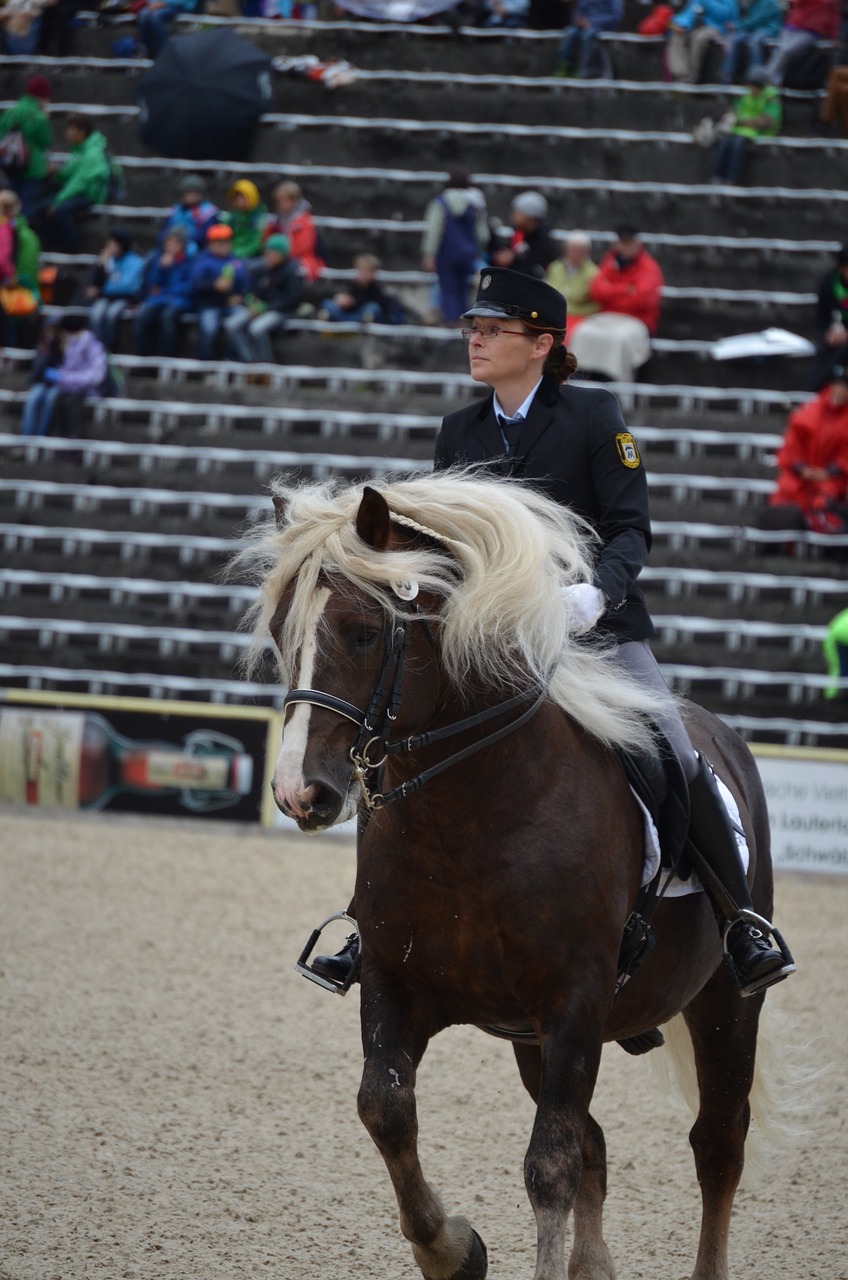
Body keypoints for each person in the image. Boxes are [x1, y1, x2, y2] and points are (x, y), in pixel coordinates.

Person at [311, 267, 795, 999]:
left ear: (541, 344)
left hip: (592, 632)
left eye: (491, 330)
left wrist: (596, 594)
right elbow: (443, 553)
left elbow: (632, 529)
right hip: (493, 644)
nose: (474, 339)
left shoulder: (595, 416)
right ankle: (369, 921)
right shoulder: (460, 431)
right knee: (398, 741)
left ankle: (741, 922)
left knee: (673, 743)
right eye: (471, 328)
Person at [568, 223, 664, 382]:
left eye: (629, 242)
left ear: (637, 244)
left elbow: (643, 299)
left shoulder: (649, 266)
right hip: (606, 316)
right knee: (581, 333)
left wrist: (611, 291)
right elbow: (596, 290)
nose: (625, 247)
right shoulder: (610, 261)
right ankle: (579, 378)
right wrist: (627, 289)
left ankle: (616, 383)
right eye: (622, 242)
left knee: (619, 340)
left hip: (637, 321)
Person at [757, 366, 848, 534]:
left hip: (832, 478)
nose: (841, 391)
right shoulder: (811, 411)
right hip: (802, 475)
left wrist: (829, 472)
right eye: (839, 385)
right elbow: (792, 446)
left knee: (827, 497)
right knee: (786, 491)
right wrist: (801, 469)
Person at [20, 314, 107, 437]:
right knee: (36, 397)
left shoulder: (92, 345)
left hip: (84, 390)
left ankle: (45, 437)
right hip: (66, 386)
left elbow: (96, 375)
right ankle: (27, 439)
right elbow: (63, 366)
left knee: (56, 399)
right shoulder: (64, 343)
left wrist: (64, 378)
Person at [33, 114, 110, 253]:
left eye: (70, 130)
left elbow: (79, 183)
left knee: (58, 211)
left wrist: (57, 202)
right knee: (39, 209)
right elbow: (69, 175)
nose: (66, 134)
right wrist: (57, 172)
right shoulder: (78, 150)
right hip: (76, 190)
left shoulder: (92, 154)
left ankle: (72, 247)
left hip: (88, 194)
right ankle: (50, 246)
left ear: (81, 132)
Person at [420, 167, 489, 324]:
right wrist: (478, 251)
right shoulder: (474, 204)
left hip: (447, 253)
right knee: (462, 289)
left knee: (448, 289)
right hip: (468, 254)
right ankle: (462, 320)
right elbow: (482, 234)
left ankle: (451, 322)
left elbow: (434, 230)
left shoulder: (440, 203)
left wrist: (429, 253)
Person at [222, 234, 303, 362]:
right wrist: (247, 302)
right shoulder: (259, 269)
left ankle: (266, 364)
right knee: (231, 324)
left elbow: (292, 299)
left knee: (257, 328)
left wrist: (265, 307)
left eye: (274, 253)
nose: (270, 256)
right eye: (268, 252)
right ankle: (251, 361)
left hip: (280, 310)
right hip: (258, 307)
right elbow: (250, 292)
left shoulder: (291, 271)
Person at [711, 65, 781, 184]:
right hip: (740, 129)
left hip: (758, 132)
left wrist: (741, 121)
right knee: (724, 141)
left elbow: (767, 121)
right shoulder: (746, 93)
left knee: (738, 143)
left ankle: (732, 180)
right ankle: (717, 177)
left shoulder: (771, 97)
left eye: (754, 86)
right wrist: (729, 117)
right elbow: (735, 109)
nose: (751, 88)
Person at [189, 222, 248, 360]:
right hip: (209, 304)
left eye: (226, 242)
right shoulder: (202, 260)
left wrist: (239, 297)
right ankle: (204, 363)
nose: (223, 246)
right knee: (209, 328)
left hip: (230, 304)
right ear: (211, 244)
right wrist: (213, 286)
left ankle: (231, 360)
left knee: (242, 321)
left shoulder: (236, 262)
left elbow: (245, 284)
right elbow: (195, 285)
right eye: (218, 243)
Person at [132, 225, 193, 357]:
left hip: (178, 300)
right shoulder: (157, 259)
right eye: (169, 241)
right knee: (141, 316)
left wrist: (169, 292)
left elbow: (188, 286)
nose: (171, 245)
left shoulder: (188, 262)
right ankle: (143, 357)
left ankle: (166, 357)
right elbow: (151, 284)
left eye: (176, 242)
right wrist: (162, 268)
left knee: (167, 317)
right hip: (158, 298)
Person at [0, 75, 53, 218]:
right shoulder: (38, 116)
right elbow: (45, 141)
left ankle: (6, 236)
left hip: (11, 164)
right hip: (33, 167)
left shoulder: (10, 112)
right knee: (26, 206)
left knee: (7, 205)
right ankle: (21, 235)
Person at [85, 227, 146, 349]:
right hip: (107, 298)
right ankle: (98, 348)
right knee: (96, 313)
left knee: (112, 314)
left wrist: (104, 289)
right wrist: (101, 267)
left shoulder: (136, 262)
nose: (109, 246)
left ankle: (111, 347)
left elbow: (127, 286)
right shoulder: (108, 260)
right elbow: (96, 286)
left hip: (126, 298)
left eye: (113, 243)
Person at [759, 0, 839, 85]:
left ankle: (766, 80)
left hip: (811, 31)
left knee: (785, 50)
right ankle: (763, 79)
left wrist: (833, 36)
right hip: (792, 27)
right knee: (779, 49)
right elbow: (794, 3)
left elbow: (834, 16)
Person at [261, 180, 325, 284]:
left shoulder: (304, 221)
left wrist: (281, 254)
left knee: (289, 270)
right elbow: (266, 240)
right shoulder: (276, 219)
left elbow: (304, 247)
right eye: (279, 201)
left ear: (294, 201)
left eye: (284, 200)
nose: (281, 204)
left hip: (300, 259)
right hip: (277, 256)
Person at [544, 229, 600, 339]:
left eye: (579, 250)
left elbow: (596, 305)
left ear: (586, 252)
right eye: (572, 249)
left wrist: (574, 311)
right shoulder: (555, 267)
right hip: (554, 316)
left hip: (580, 318)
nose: (575, 253)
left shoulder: (594, 273)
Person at [666, 0, 739, 83]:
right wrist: (680, 25)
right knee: (677, 37)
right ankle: (682, 74)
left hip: (720, 28)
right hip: (699, 27)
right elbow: (689, 12)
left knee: (699, 38)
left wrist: (706, 2)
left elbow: (724, 13)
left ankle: (694, 74)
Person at [490, 191, 558, 279]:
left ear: (530, 216)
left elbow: (536, 265)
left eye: (518, 213)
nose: (513, 217)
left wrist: (513, 260)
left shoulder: (543, 240)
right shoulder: (520, 232)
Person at [809, 244, 848, 391]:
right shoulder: (829, 284)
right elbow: (822, 317)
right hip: (837, 332)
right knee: (825, 347)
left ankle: (815, 386)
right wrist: (828, 332)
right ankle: (815, 391)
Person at [316, 252, 393, 324]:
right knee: (327, 304)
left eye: (367, 270)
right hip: (344, 315)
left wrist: (355, 302)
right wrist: (341, 300)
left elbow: (380, 306)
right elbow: (336, 295)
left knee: (373, 308)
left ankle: (367, 320)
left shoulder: (378, 288)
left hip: (361, 318)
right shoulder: (349, 282)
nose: (363, 273)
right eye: (361, 269)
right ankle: (325, 317)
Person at [554, 0, 623, 79]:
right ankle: (564, 67)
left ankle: (583, 68)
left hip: (602, 27)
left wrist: (592, 22)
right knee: (569, 32)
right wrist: (578, 19)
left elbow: (615, 17)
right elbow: (578, 11)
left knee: (588, 35)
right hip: (583, 26)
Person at [718, 0, 783, 83]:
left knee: (755, 41)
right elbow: (749, 20)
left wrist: (736, 27)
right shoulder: (752, 3)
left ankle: (755, 77)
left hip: (768, 29)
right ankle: (726, 76)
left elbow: (755, 20)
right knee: (735, 40)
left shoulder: (768, 3)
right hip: (753, 29)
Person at [158, 174, 219, 254]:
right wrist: (168, 242)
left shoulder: (209, 212)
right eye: (187, 193)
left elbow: (204, 236)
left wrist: (182, 242)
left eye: (194, 193)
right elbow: (164, 231)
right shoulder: (175, 210)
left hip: (196, 248)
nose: (190, 196)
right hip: (171, 245)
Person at [220, 179, 267, 261]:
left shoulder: (259, 218)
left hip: (251, 256)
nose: (239, 201)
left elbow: (257, 242)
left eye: (243, 197)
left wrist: (237, 254)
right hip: (230, 252)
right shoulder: (232, 217)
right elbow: (223, 235)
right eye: (237, 198)